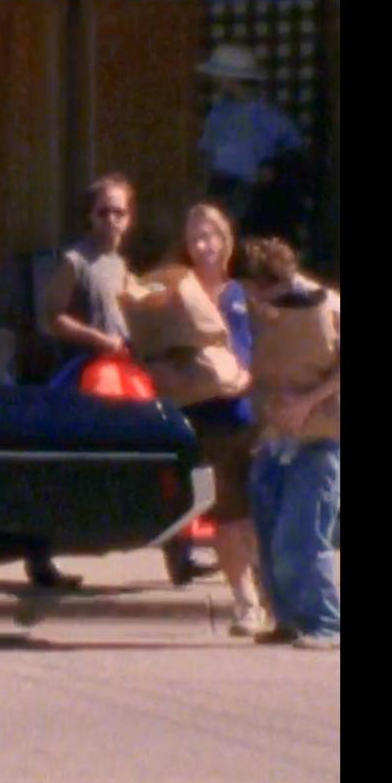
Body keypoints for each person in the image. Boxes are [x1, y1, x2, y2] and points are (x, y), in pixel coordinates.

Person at [30, 173, 140, 590]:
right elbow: (51, 315)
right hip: (80, 371)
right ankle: (40, 559)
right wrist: (98, 339)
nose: (112, 220)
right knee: (61, 466)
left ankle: (178, 555)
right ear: (90, 216)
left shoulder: (122, 264)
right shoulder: (75, 260)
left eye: (119, 212)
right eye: (103, 211)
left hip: (120, 372)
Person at [167, 204, 268, 636]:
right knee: (226, 516)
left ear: (226, 240)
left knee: (260, 513)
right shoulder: (178, 295)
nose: (204, 245)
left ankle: (271, 596)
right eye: (195, 239)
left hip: (245, 415)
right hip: (202, 417)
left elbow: (259, 351)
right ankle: (246, 604)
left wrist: (245, 375)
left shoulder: (240, 295)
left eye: (211, 236)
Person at [236, 237, 340, 650]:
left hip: (318, 439)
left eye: (263, 289)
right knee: (268, 531)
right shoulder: (256, 313)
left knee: (302, 533)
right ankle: (287, 620)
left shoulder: (326, 306)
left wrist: (307, 402)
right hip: (272, 437)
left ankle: (326, 623)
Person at [198, 43, 303, 232]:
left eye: (219, 77)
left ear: (231, 79)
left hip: (254, 191)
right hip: (221, 186)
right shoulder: (218, 112)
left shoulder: (268, 116)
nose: (215, 81)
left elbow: (292, 151)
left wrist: (273, 171)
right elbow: (208, 153)